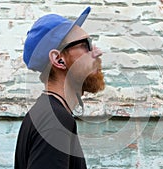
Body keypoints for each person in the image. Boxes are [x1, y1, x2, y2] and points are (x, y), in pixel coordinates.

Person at [14, 6, 105, 169]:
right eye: (86, 45)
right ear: (58, 60)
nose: (97, 52)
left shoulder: (47, 113)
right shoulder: (55, 121)